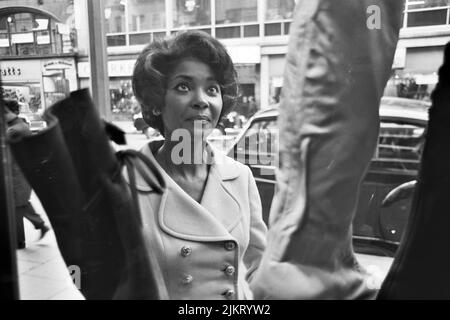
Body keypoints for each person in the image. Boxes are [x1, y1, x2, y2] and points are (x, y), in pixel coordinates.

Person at [131, 30, 267, 299]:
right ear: (156, 102)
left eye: (212, 89)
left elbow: (260, 264)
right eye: (183, 86)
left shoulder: (240, 177)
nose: (202, 100)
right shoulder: (126, 184)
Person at [4, 99, 50, 249]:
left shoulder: (14, 129)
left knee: (17, 206)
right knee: (21, 204)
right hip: (20, 174)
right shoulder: (19, 125)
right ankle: (40, 225)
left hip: (17, 175)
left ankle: (19, 241)